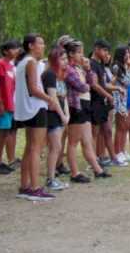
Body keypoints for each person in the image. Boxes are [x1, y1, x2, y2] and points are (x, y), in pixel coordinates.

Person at [14, 33, 61, 201]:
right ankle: (34, 187)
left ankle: (25, 185)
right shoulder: (31, 62)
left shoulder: (22, 62)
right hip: (35, 108)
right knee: (36, 148)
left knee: (29, 148)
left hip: (27, 109)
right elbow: (34, 88)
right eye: (40, 43)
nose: (43, 46)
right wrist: (50, 100)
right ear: (30, 46)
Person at [62, 41, 109, 182]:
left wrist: (88, 69)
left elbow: (91, 80)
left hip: (86, 104)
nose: (82, 56)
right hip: (77, 105)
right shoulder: (69, 69)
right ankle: (74, 173)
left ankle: (98, 170)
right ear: (71, 54)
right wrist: (88, 84)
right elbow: (83, 87)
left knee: (87, 141)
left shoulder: (79, 68)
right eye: (79, 53)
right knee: (73, 142)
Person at [42, 46, 70, 191]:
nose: (65, 62)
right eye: (62, 59)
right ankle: (50, 178)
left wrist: (67, 114)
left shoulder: (60, 77)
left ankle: (52, 177)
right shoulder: (49, 75)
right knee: (55, 147)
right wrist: (62, 115)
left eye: (66, 59)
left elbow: (63, 98)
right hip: (51, 115)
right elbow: (52, 99)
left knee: (56, 147)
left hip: (59, 115)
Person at [0, 39, 20, 175]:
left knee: (6, 132)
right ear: (5, 51)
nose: (16, 51)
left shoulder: (11, 65)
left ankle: (1, 161)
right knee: (3, 133)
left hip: (11, 103)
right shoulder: (0, 64)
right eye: (13, 49)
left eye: (17, 48)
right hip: (4, 104)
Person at [88, 40, 119, 166]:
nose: (106, 53)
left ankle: (113, 158)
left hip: (102, 103)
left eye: (107, 51)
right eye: (104, 50)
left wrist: (116, 88)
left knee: (107, 130)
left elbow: (103, 84)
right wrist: (108, 95)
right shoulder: (91, 64)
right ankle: (93, 161)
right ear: (96, 49)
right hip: (94, 102)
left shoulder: (100, 65)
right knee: (94, 134)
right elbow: (94, 85)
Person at [110, 45, 130, 164]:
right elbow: (127, 81)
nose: (128, 55)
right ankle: (117, 152)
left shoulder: (123, 67)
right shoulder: (116, 67)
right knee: (120, 126)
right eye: (126, 53)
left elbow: (129, 81)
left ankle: (121, 151)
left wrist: (128, 67)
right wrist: (128, 67)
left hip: (124, 98)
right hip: (118, 99)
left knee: (123, 127)